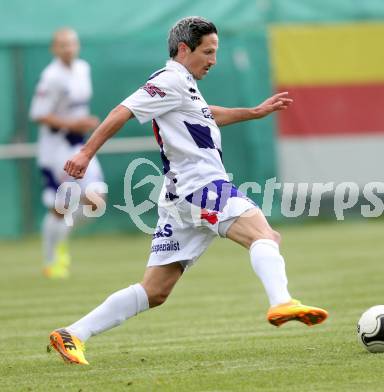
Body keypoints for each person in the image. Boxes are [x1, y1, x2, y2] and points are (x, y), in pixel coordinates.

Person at [47, 17, 328, 365]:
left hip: (183, 194)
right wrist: (87, 153)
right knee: (264, 235)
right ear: (184, 49)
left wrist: (254, 112)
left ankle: (73, 333)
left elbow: (206, 115)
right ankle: (282, 301)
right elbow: (123, 111)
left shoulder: (184, 85)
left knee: (155, 291)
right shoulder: (168, 80)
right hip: (200, 186)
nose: (213, 60)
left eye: (215, 52)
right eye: (208, 52)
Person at [30, 28, 104, 279]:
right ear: (54, 48)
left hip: (79, 147)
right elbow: (38, 114)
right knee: (59, 209)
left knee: (97, 201)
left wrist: (81, 124)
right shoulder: (51, 76)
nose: (68, 48)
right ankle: (52, 260)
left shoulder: (83, 68)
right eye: (62, 45)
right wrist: (74, 124)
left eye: (71, 43)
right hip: (56, 150)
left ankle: (61, 235)